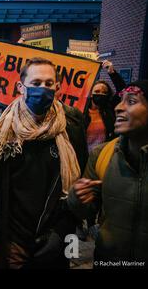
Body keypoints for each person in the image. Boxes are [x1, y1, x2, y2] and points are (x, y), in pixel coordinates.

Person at [0, 57, 88, 269]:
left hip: (53, 236)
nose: (42, 89)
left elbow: (79, 186)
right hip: (12, 241)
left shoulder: (71, 127)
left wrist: (61, 232)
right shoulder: (1, 130)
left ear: (58, 87)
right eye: (35, 84)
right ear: (21, 87)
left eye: (48, 84)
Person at [68, 80, 148, 266]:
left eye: (131, 101)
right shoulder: (102, 155)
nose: (119, 108)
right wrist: (76, 196)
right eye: (120, 101)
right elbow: (86, 210)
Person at [84, 60, 127, 152]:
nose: (100, 94)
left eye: (104, 92)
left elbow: (122, 90)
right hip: (83, 158)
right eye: (97, 92)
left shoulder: (110, 109)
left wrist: (112, 73)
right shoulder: (81, 111)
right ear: (91, 94)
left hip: (103, 156)